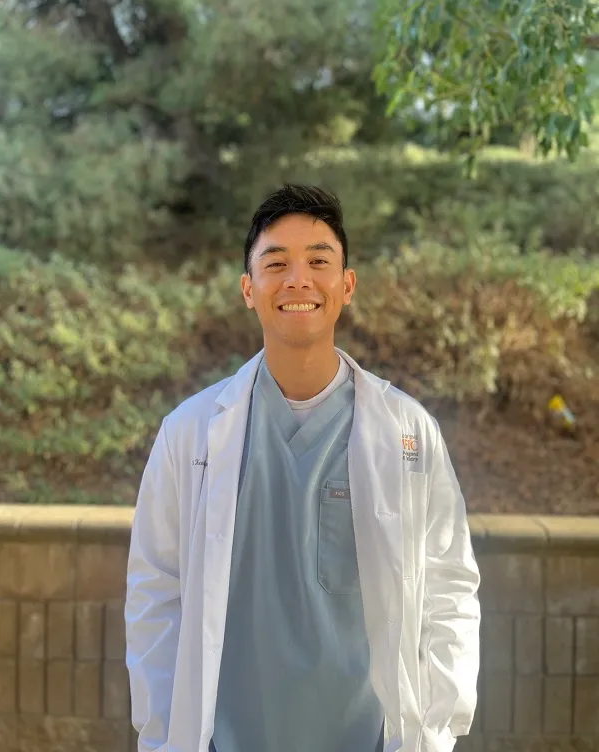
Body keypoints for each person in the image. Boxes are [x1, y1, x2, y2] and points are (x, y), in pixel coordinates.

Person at [125, 184, 481, 752]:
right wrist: (163, 732)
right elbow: (155, 594)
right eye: (275, 264)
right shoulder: (189, 433)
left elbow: (449, 587)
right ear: (248, 289)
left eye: (318, 261)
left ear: (347, 285)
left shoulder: (408, 432)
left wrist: (439, 729)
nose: (298, 280)